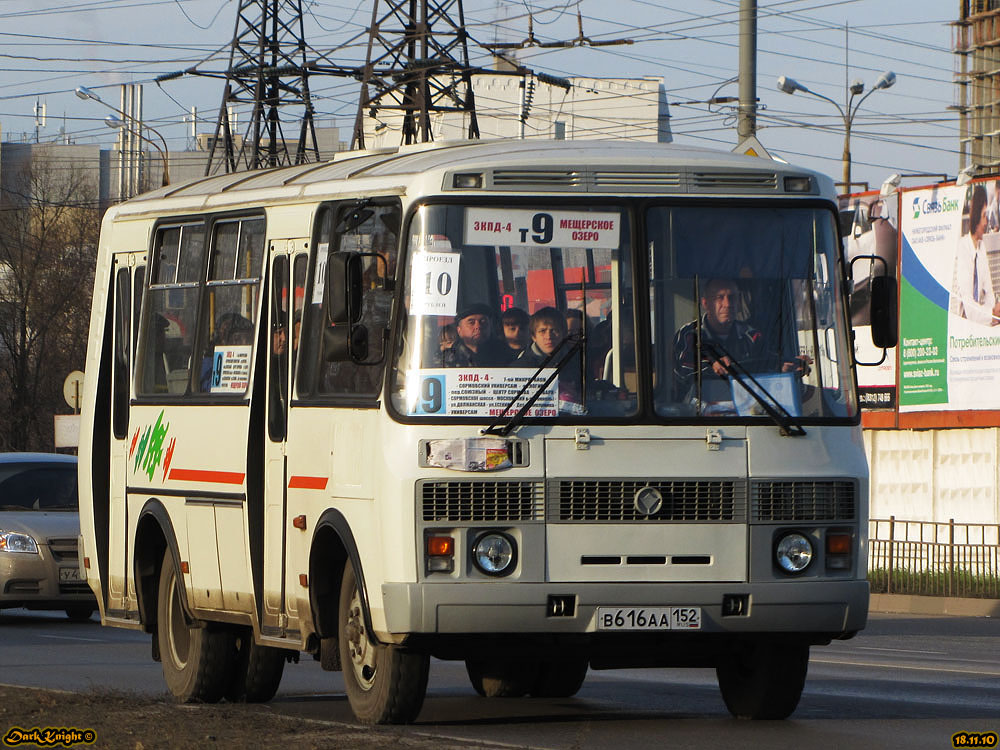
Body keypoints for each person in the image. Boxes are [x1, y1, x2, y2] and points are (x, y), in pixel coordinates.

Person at [673, 279, 806, 403]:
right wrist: (711, 367)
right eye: (719, 297)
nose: (728, 304)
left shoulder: (752, 335)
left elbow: (764, 363)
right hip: (697, 412)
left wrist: (783, 367)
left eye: (732, 297)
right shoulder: (689, 335)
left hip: (745, 408)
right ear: (706, 303)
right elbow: (683, 371)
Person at [955, 184, 1000, 326]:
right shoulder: (963, 248)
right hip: (959, 328)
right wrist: (992, 315)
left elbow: (989, 293)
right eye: (983, 216)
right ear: (976, 217)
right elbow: (968, 305)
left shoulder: (981, 248)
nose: (986, 222)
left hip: (979, 328)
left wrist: (993, 312)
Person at [440, 303, 508, 367]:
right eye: (471, 323)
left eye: (483, 322)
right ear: (459, 330)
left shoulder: (505, 354)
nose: (478, 326)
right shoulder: (447, 358)